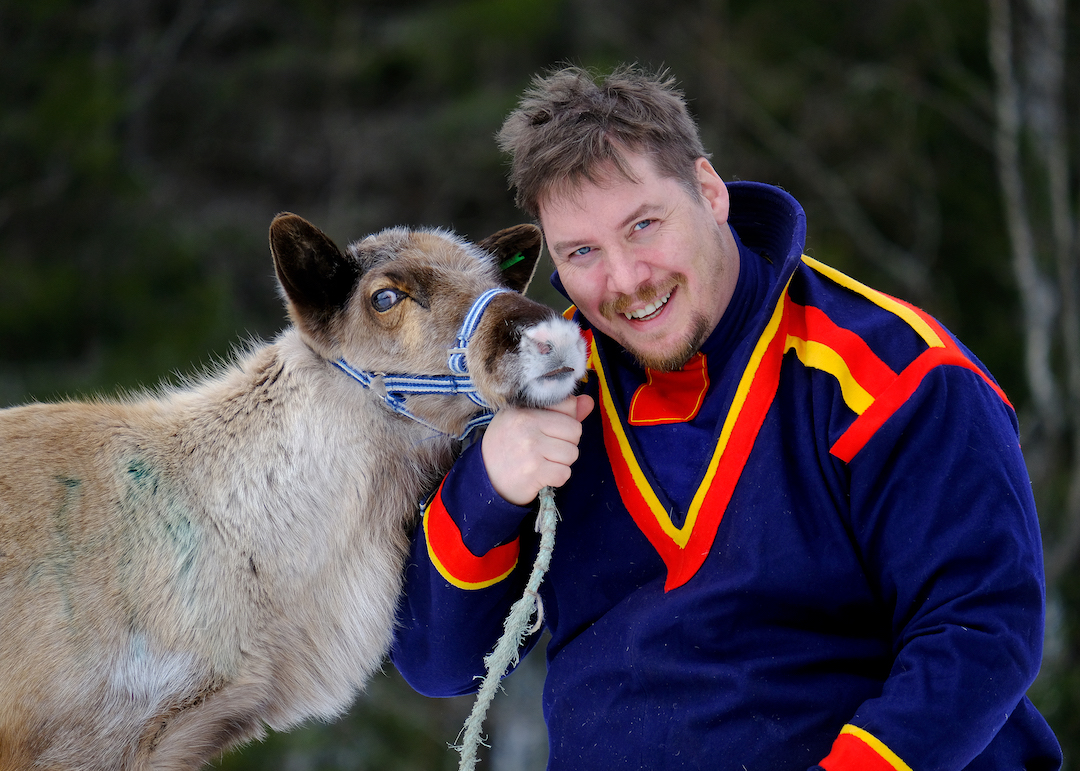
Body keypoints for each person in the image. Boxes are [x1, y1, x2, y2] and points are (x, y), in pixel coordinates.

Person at [390, 64, 1063, 771]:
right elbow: (440, 664)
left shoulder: (894, 375)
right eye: (582, 252)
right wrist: (488, 488)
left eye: (644, 225)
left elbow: (981, 631)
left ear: (710, 192)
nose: (625, 280)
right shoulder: (549, 386)